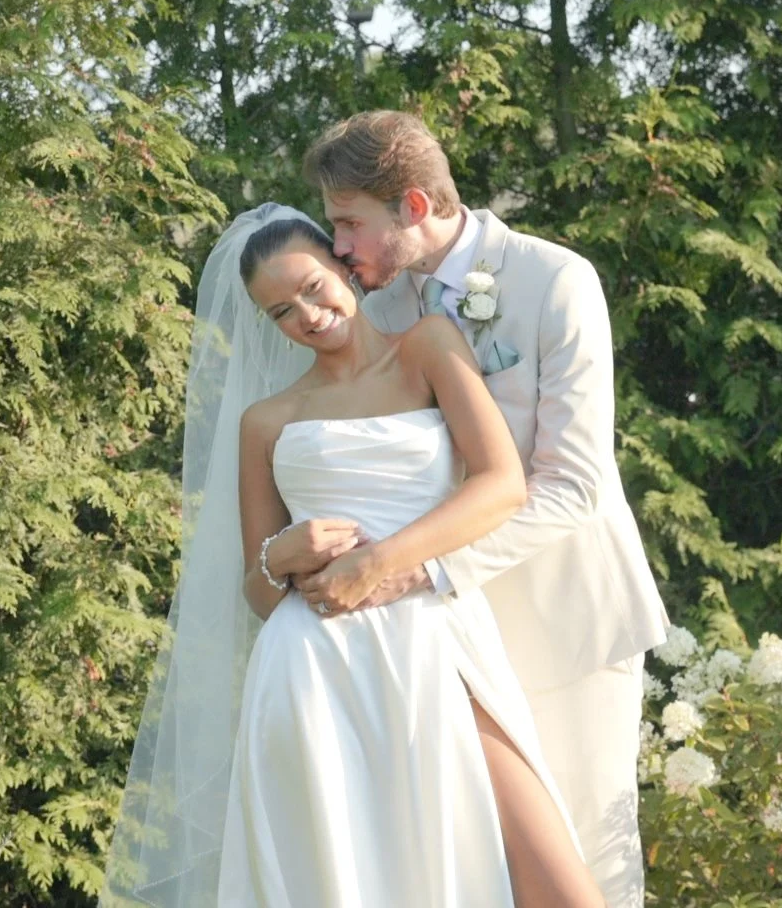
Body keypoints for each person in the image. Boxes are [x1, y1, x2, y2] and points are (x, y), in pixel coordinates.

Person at [104, 203, 603, 908]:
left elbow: (502, 484)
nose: (306, 316)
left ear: (344, 267)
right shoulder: (266, 421)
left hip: (433, 634)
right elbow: (256, 585)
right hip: (312, 668)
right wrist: (285, 551)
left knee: (559, 888)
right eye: (280, 312)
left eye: (312, 287)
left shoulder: (428, 346)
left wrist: (381, 563)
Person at [276, 110, 671, 906]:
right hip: (438, 645)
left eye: (349, 223)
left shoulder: (555, 280)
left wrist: (414, 568)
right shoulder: (381, 311)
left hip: (563, 624)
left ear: (413, 207)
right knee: (471, 870)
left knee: (586, 868)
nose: (340, 248)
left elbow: (574, 483)